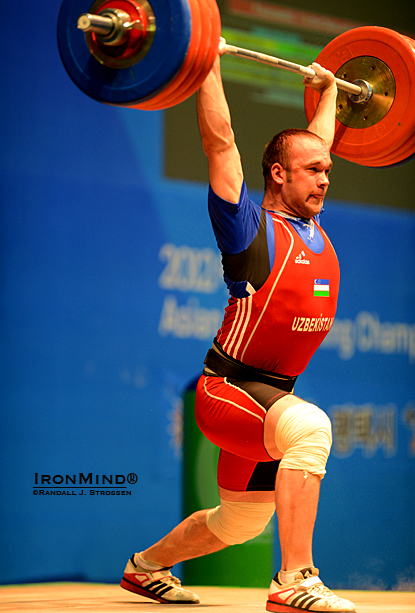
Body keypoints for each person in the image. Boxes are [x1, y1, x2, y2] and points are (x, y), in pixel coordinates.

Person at [120, 41, 356, 613]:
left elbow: (316, 142)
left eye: (327, 170)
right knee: (312, 431)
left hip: (272, 399)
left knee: (240, 523)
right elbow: (220, 142)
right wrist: (206, 61)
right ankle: (294, 579)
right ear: (278, 175)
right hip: (227, 391)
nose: (324, 179)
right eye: (312, 172)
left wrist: (329, 92)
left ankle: (144, 567)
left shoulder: (314, 230)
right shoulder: (248, 227)